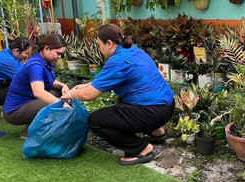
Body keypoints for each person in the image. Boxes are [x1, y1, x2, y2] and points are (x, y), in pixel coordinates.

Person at [68, 24, 174, 166]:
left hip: (152, 113)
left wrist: (70, 93)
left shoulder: (117, 62)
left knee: (95, 121)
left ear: (109, 43)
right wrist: (87, 85)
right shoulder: (134, 51)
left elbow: (88, 95)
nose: (100, 49)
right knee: (127, 96)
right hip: (167, 107)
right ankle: (157, 131)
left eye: (100, 45)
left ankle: (141, 148)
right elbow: (105, 81)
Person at [3, 34, 71, 139]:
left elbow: (50, 81)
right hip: (14, 111)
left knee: (59, 93)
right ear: (46, 48)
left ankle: (39, 125)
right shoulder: (35, 65)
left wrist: (63, 86)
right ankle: (29, 132)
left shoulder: (45, 61)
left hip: (28, 102)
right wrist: (61, 104)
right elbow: (38, 92)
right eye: (58, 53)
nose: (59, 57)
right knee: (55, 103)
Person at [0, 36, 33, 106]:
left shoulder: (9, 54)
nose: (27, 56)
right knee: (27, 88)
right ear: (16, 51)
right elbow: (25, 78)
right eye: (26, 53)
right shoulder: (7, 60)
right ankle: (9, 110)